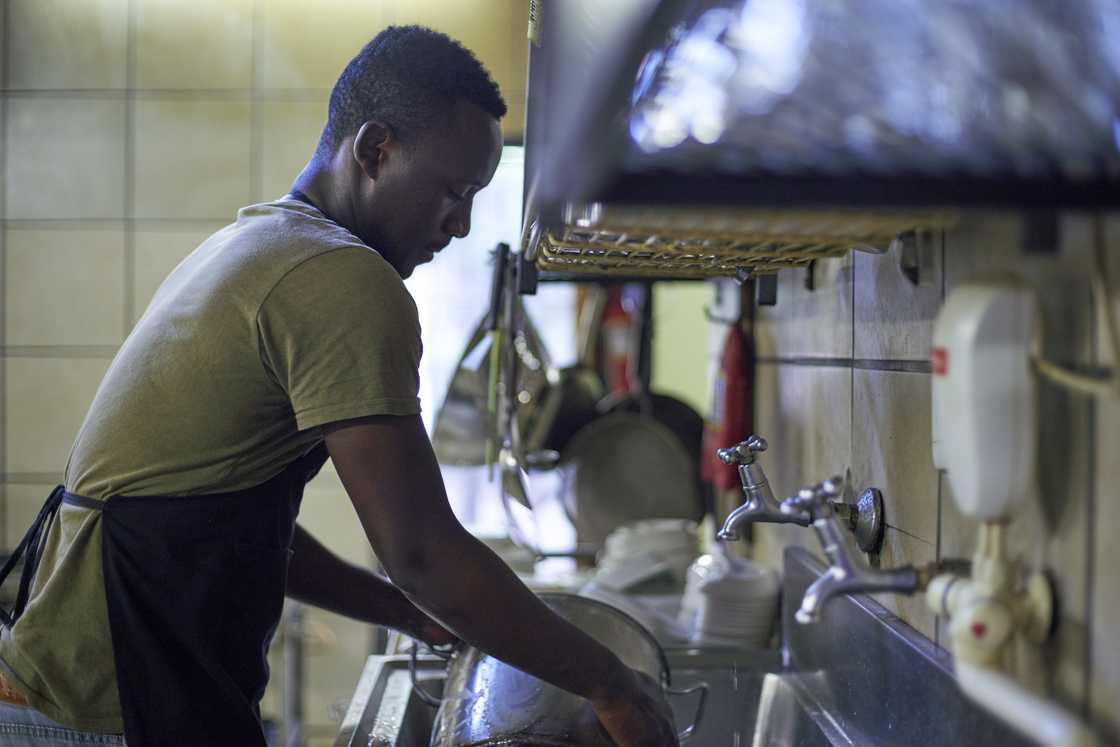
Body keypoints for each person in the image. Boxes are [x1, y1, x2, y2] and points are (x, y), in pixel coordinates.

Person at [0, 25, 677, 747]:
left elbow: (224, 519)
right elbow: (421, 551)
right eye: (453, 190)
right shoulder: (344, 277)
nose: (461, 223)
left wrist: (403, 611)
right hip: (108, 706)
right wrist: (613, 684)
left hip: (59, 687)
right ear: (376, 149)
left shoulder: (259, 240)